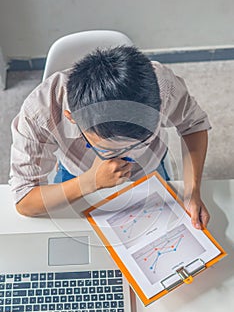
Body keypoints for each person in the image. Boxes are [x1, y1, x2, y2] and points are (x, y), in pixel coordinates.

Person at [9, 45, 210, 229]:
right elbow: (25, 200)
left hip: (150, 166)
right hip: (79, 172)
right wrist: (89, 182)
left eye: (141, 142)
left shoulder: (162, 86)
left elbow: (193, 125)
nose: (122, 157)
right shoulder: (40, 111)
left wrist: (192, 192)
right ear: (72, 118)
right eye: (107, 149)